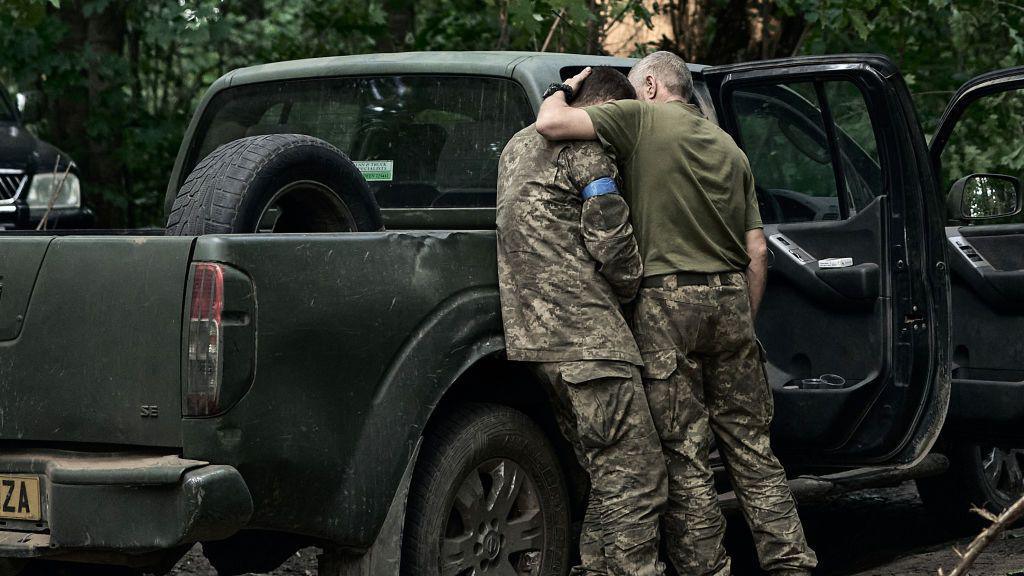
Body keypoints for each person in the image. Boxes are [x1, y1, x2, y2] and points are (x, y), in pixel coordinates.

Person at [535, 53, 818, 576]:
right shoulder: (731, 148)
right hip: (731, 300)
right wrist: (744, 324)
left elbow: (550, 124)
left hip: (667, 305)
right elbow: (757, 251)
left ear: (648, 83)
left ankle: (706, 569)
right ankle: (792, 564)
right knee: (754, 452)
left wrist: (569, 86)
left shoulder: (640, 119)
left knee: (686, 455)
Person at [496, 67, 667, 576]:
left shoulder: (514, 148)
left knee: (603, 474)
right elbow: (612, 246)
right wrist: (634, 285)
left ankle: (596, 567)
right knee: (639, 478)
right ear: (606, 112)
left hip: (534, 341)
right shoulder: (589, 153)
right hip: (589, 341)